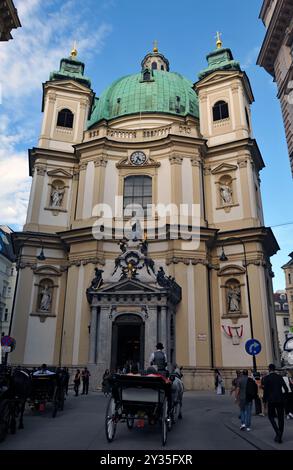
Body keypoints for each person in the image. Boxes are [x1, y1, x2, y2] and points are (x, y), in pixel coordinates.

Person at [263, 363, 289, 443]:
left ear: (269, 369)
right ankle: (280, 435)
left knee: (271, 416)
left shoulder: (266, 378)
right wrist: (284, 397)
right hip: (280, 399)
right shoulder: (279, 377)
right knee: (281, 418)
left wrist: (264, 400)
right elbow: (286, 389)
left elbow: (266, 391)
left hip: (271, 400)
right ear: (274, 369)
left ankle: (277, 432)